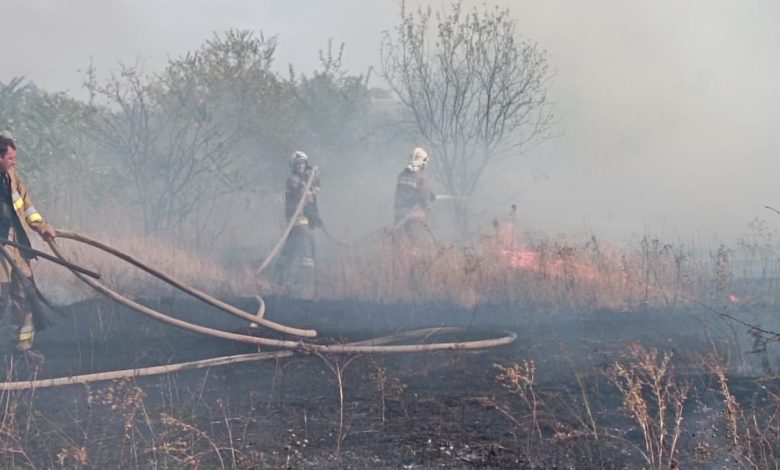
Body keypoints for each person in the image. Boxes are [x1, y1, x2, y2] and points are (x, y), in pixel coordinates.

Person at [0, 132, 56, 352]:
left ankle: (23, 346)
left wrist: (43, 227)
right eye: (10, 158)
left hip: (17, 243)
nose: (14, 162)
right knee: (1, 298)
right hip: (0, 247)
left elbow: (28, 208)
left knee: (26, 294)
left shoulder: (12, 177)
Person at [275, 151, 321, 295]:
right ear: (293, 166)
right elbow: (303, 196)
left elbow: (314, 193)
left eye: (303, 164)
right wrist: (309, 180)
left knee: (289, 250)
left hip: (302, 219)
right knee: (308, 247)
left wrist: (315, 179)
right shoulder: (293, 180)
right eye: (298, 164)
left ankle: (279, 278)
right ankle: (306, 282)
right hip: (297, 220)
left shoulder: (304, 179)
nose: (301, 166)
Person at [393, 147, 436, 246]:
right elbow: (424, 199)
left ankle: (397, 259)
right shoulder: (420, 178)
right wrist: (428, 203)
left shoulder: (402, 175)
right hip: (413, 216)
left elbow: (405, 193)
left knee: (398, 243)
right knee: (414, 243)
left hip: (399, 214)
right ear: (422, 162)